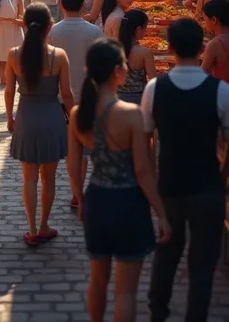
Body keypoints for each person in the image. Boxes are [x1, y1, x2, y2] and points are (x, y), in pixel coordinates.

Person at [68, 38, 169, 322]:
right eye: (123, 63)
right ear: (116, 71)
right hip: (129, 204)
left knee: (97, 281)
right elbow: (143, 170)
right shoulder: (131, 115)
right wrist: (161, 213)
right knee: (125, 293)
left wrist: (81, 200)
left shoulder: (79, 114)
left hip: (97, 199)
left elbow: (73, 166)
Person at [141, 19, 229, 322]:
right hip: (208, 186)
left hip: (170, 187)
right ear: (203, 47)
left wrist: (149, 185)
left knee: (166, 255)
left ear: (170, 47)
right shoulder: (220, 91)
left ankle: (158, 313)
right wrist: (222, 177)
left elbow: (145, 139)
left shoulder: (155, 88)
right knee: (203, 265)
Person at [5, 3, 74, 245]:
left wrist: (10, 118)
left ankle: (32, 229)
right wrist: (74, 117)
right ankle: (45, 224)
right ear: (50, 26)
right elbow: (66, 94)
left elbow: (9, 92)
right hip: (52, 118)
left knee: (29, 178)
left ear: (24, 24)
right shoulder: (59, 55)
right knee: (49, 178)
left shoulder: (14, 54)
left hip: (26, 117)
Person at [49, 0, 102, 208]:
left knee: (73, 149)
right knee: (84, 149)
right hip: (89, 96)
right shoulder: (94, 32)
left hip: (62, 97)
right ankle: (78, 193)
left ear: (61, 4)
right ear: (83, 5)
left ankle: (75, 193)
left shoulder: (53, 32)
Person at [118, 9, 156, 104]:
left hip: (118, 97)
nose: (146, 31)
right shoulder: (145, 53)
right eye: (145, 27)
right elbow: (154, 80)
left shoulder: (113, 48)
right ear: (138, 30)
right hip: (139, 98)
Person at [201, 0, 229, 81]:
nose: (203, 23)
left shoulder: (215, 44)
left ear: (214, 20)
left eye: (204, 19)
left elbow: (200, 75)